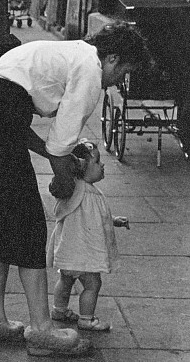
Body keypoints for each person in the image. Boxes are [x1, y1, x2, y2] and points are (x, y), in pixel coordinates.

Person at [0, 22, 150, 357]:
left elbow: (31, 130)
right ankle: (43, 331)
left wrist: (57, 158)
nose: (119, 80)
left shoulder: (70, 52)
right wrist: (65, 179)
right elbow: (62, 141)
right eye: (123, 71)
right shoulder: (90, 70)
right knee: (28, 226)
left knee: (0, 224)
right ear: (111, 58)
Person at [47, 139, 130, 333]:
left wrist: (113, 219)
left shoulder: (73, 189)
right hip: (84, 252)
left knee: (65, 280)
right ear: (81, 167)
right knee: (93, 284)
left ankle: (59, 310)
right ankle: (86, 319)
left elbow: (94, 217)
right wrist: (111, 220)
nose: (102, 165)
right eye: (97, 162)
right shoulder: (89, 193)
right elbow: (95, 219)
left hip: (68, 249)